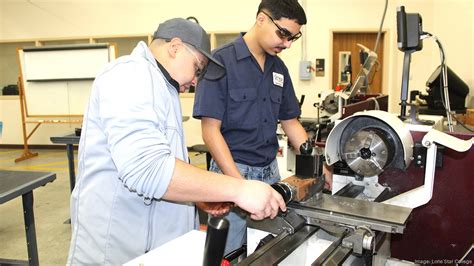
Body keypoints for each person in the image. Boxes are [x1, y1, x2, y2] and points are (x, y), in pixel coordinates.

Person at [67, 18, 286, 265]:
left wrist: (194, 195)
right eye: (198, 68)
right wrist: (240, 188)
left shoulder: (163, 87)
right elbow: (148, 169)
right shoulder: (129, 74)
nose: (196, 81)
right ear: (175, 47)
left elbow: (167, 165)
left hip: (155, 248)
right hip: (118, 249)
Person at [193, 0, 308, 256]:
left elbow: (290, 121)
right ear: (261, 19)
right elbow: (210, 131)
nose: (287, 44)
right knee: (227, 254)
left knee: (270, 251)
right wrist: (239, 186)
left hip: (270, 173)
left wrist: (319, 165)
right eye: (284, 34)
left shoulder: (278, 68)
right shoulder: (221, 61)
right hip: (231, 172)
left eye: (293, 38)